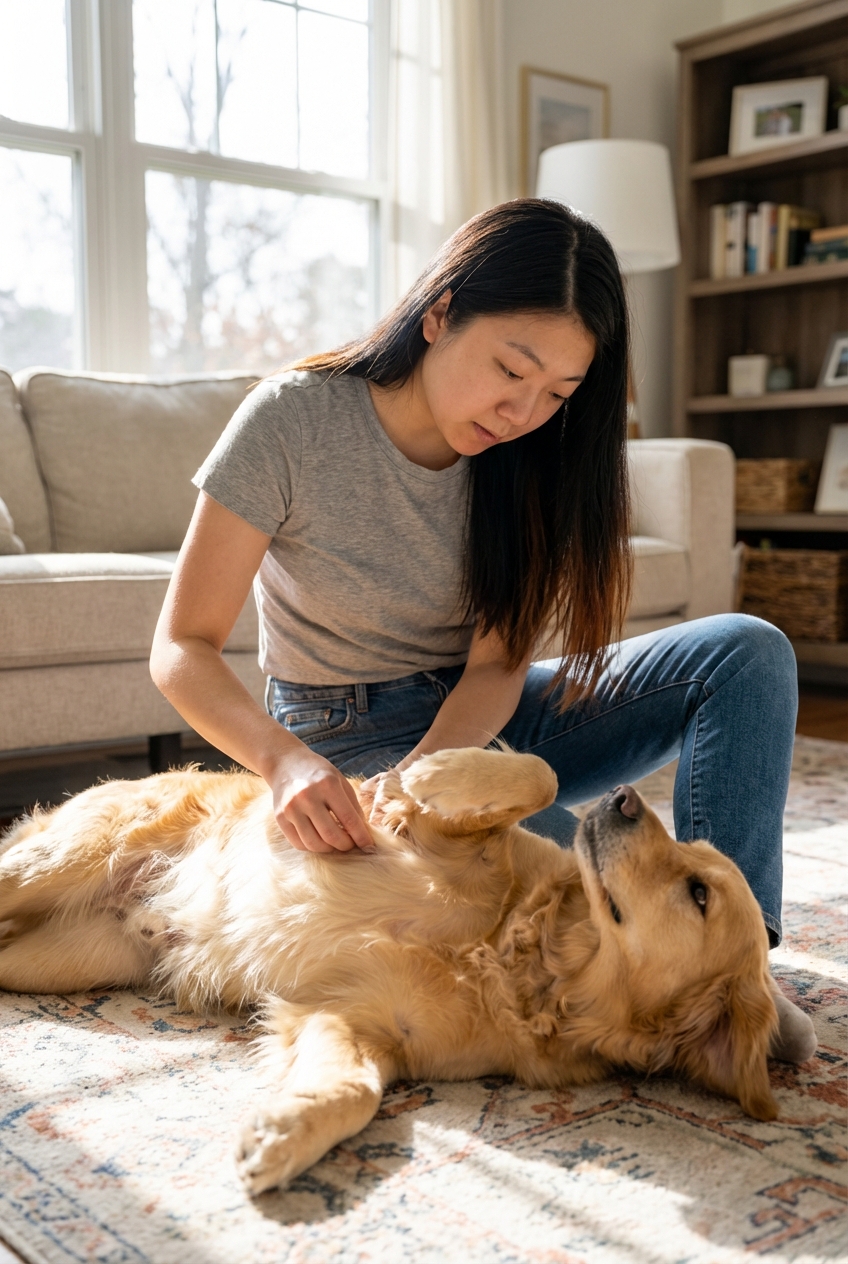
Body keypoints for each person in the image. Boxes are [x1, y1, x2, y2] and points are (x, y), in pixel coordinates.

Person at [150, 199, 813, 1061]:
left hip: (484, 715)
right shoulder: (293, 420)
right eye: (510, 369)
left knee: (748, 652)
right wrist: (285, 763)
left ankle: (738, 963)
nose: (522, 412)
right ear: (439, 313)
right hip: (345, 733)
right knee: (553, 891)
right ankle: (679, 989)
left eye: (557, 394)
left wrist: (437, 772)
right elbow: (182, 647)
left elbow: (498, 667)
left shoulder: (534, 456)